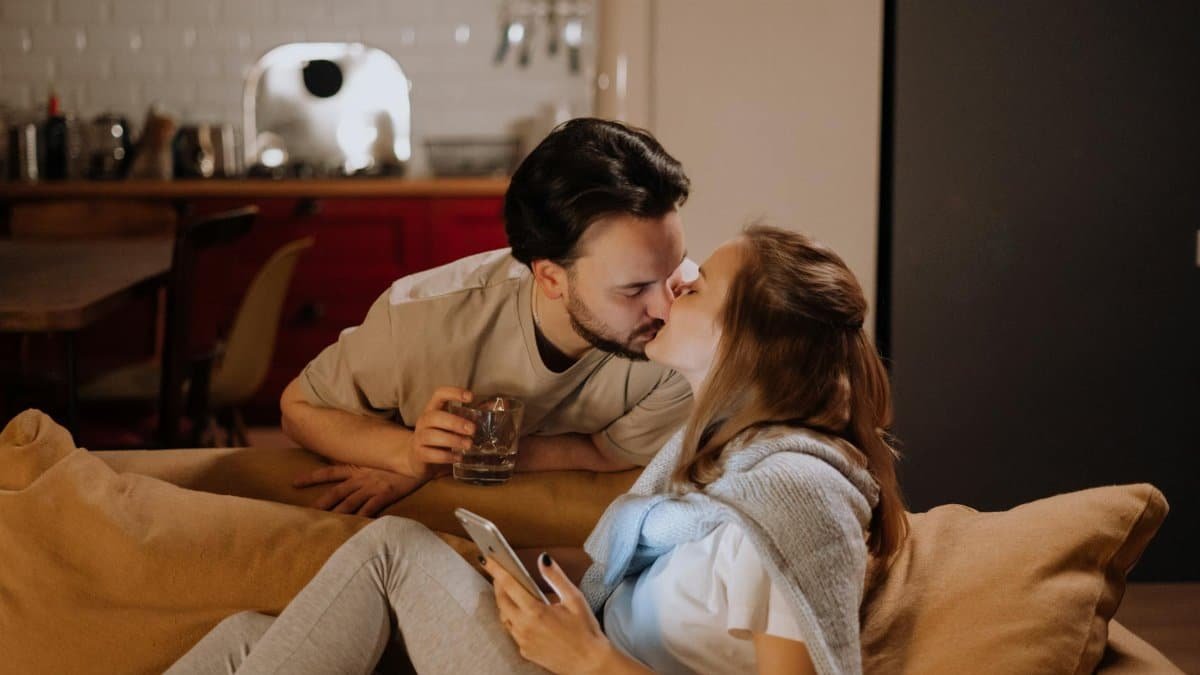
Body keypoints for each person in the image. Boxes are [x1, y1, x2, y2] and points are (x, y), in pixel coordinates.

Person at [168, 225, 908, 675]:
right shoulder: (727, 462)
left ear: (744, 344)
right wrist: (507, 566)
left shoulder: (793, 507)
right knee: (246, 641)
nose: (671, 287)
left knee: (392, 548)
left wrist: (590, 660)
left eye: (695, 285)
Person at [280, 118, 696, 515]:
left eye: (674, 268)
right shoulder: (421, 320)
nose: (667, 308)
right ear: (551, 278)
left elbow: (606, 452)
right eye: (634, 289)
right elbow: (299, 407)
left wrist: (447, 463)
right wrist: (406, 455)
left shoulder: (689, 341)